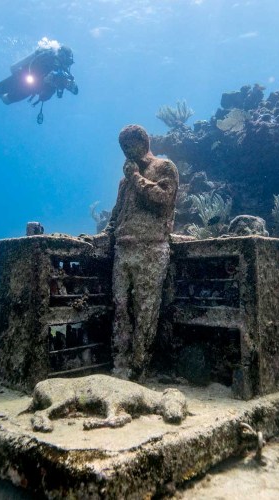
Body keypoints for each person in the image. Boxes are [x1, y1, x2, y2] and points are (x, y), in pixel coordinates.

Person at [103, 125, 179, 380]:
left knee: (146, 309)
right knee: (120, 307)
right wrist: (106, 233)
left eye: (130, 145)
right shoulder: (124, 182)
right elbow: (117, 215)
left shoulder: (164, 168)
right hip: (123, 248)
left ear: (144, 142)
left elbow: (164, 199)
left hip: (152, 247)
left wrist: (136, 177)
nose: (127, 151)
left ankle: (139, 369)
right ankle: (119, 364)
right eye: (123, 147)